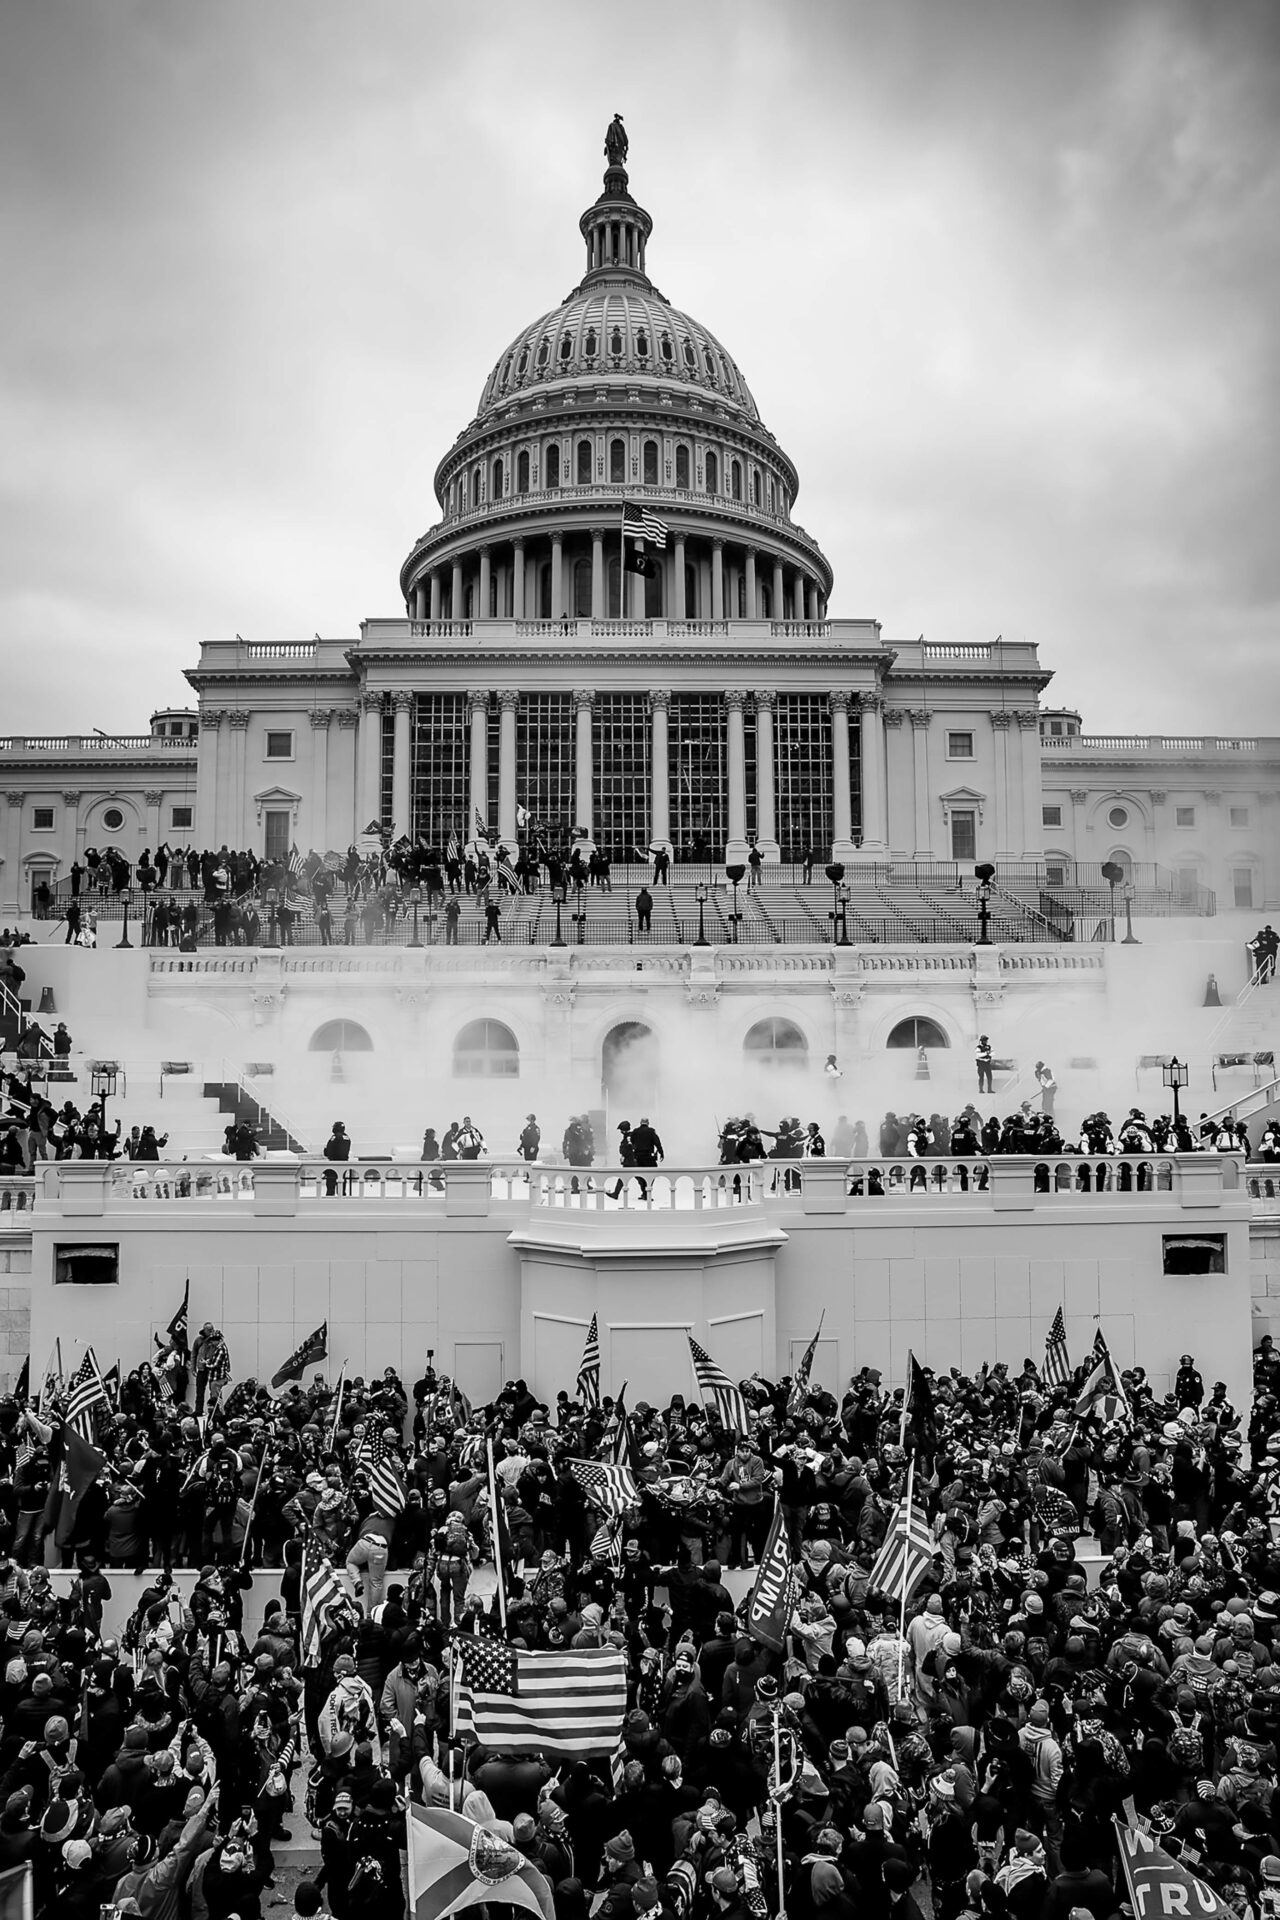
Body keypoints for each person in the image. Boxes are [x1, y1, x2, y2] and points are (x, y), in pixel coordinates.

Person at [324, 1121, 352, 1197]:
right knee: (342, 1182)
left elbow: (328, 1150)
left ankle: (330, 1198)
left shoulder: (335, 1137)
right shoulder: (347, 1137)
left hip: (334, 1163)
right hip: (344, 1163)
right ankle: (342, 1196)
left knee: (331, 1183)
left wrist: (326, 1152)